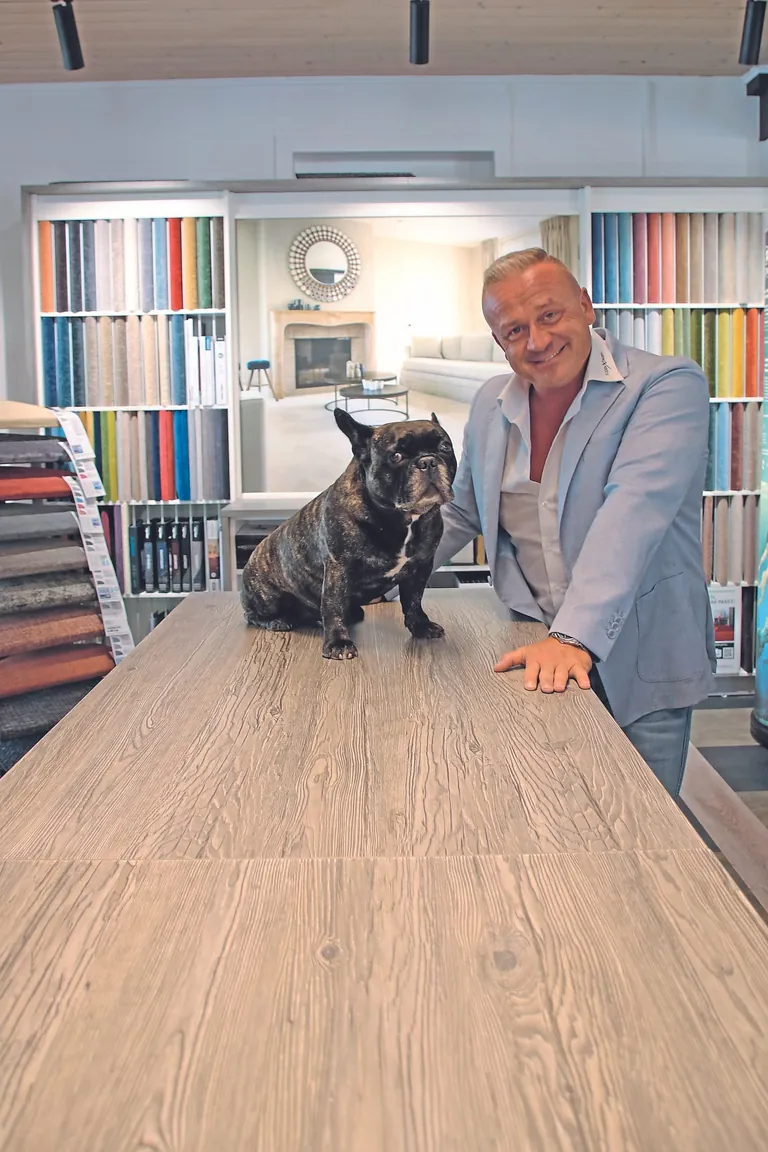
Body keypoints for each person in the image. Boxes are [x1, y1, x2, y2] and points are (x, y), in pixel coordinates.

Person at [432, 247, 715, 797]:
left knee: (640, 825)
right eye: (515, 330)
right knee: (552, 816)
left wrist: (572, 637)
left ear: (585, 306)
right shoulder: (491, 402)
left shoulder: (665, 385)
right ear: (498, 341)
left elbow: (632, 515)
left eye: (549, 314)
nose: (537, 341)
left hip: (640, 656)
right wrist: (377, 575)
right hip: (536, 647)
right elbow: (460, 510)